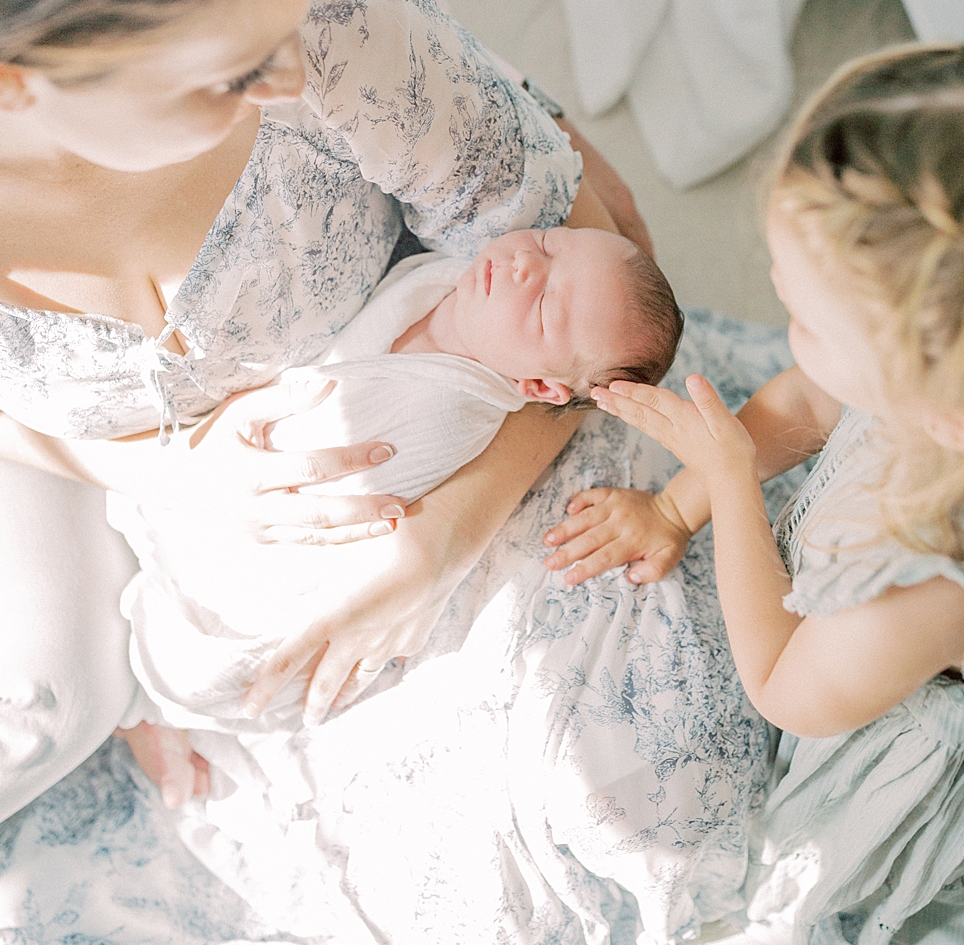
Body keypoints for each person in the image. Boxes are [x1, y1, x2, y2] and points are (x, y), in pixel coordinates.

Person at [0, 0, 799, 945]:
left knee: (656, 772)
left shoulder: (327, 8)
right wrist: (159, 481)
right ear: (13, 85)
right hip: (97, 474)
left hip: (459, 415)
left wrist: (435, 541)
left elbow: (588, 255)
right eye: (231, 74)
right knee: (42, 713)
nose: (294, 63)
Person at [590, 43, 964, 945]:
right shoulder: (939, 388)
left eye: (803, 314)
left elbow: (786, 686)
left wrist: (725, 474)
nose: (778, 310)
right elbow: (812, 396)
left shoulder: (931, 577)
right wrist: (674, 506)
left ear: (936, 404)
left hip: (882, 696)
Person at [112, 226, 682, 741]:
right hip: (190, 472)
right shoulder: (445, 281)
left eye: (541, 308)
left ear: (539, 388)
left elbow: (342, 505)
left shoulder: (445, 418)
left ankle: (148, 708)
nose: (524, 267)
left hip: (249, 561)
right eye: (549, 244)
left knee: (199, 667)